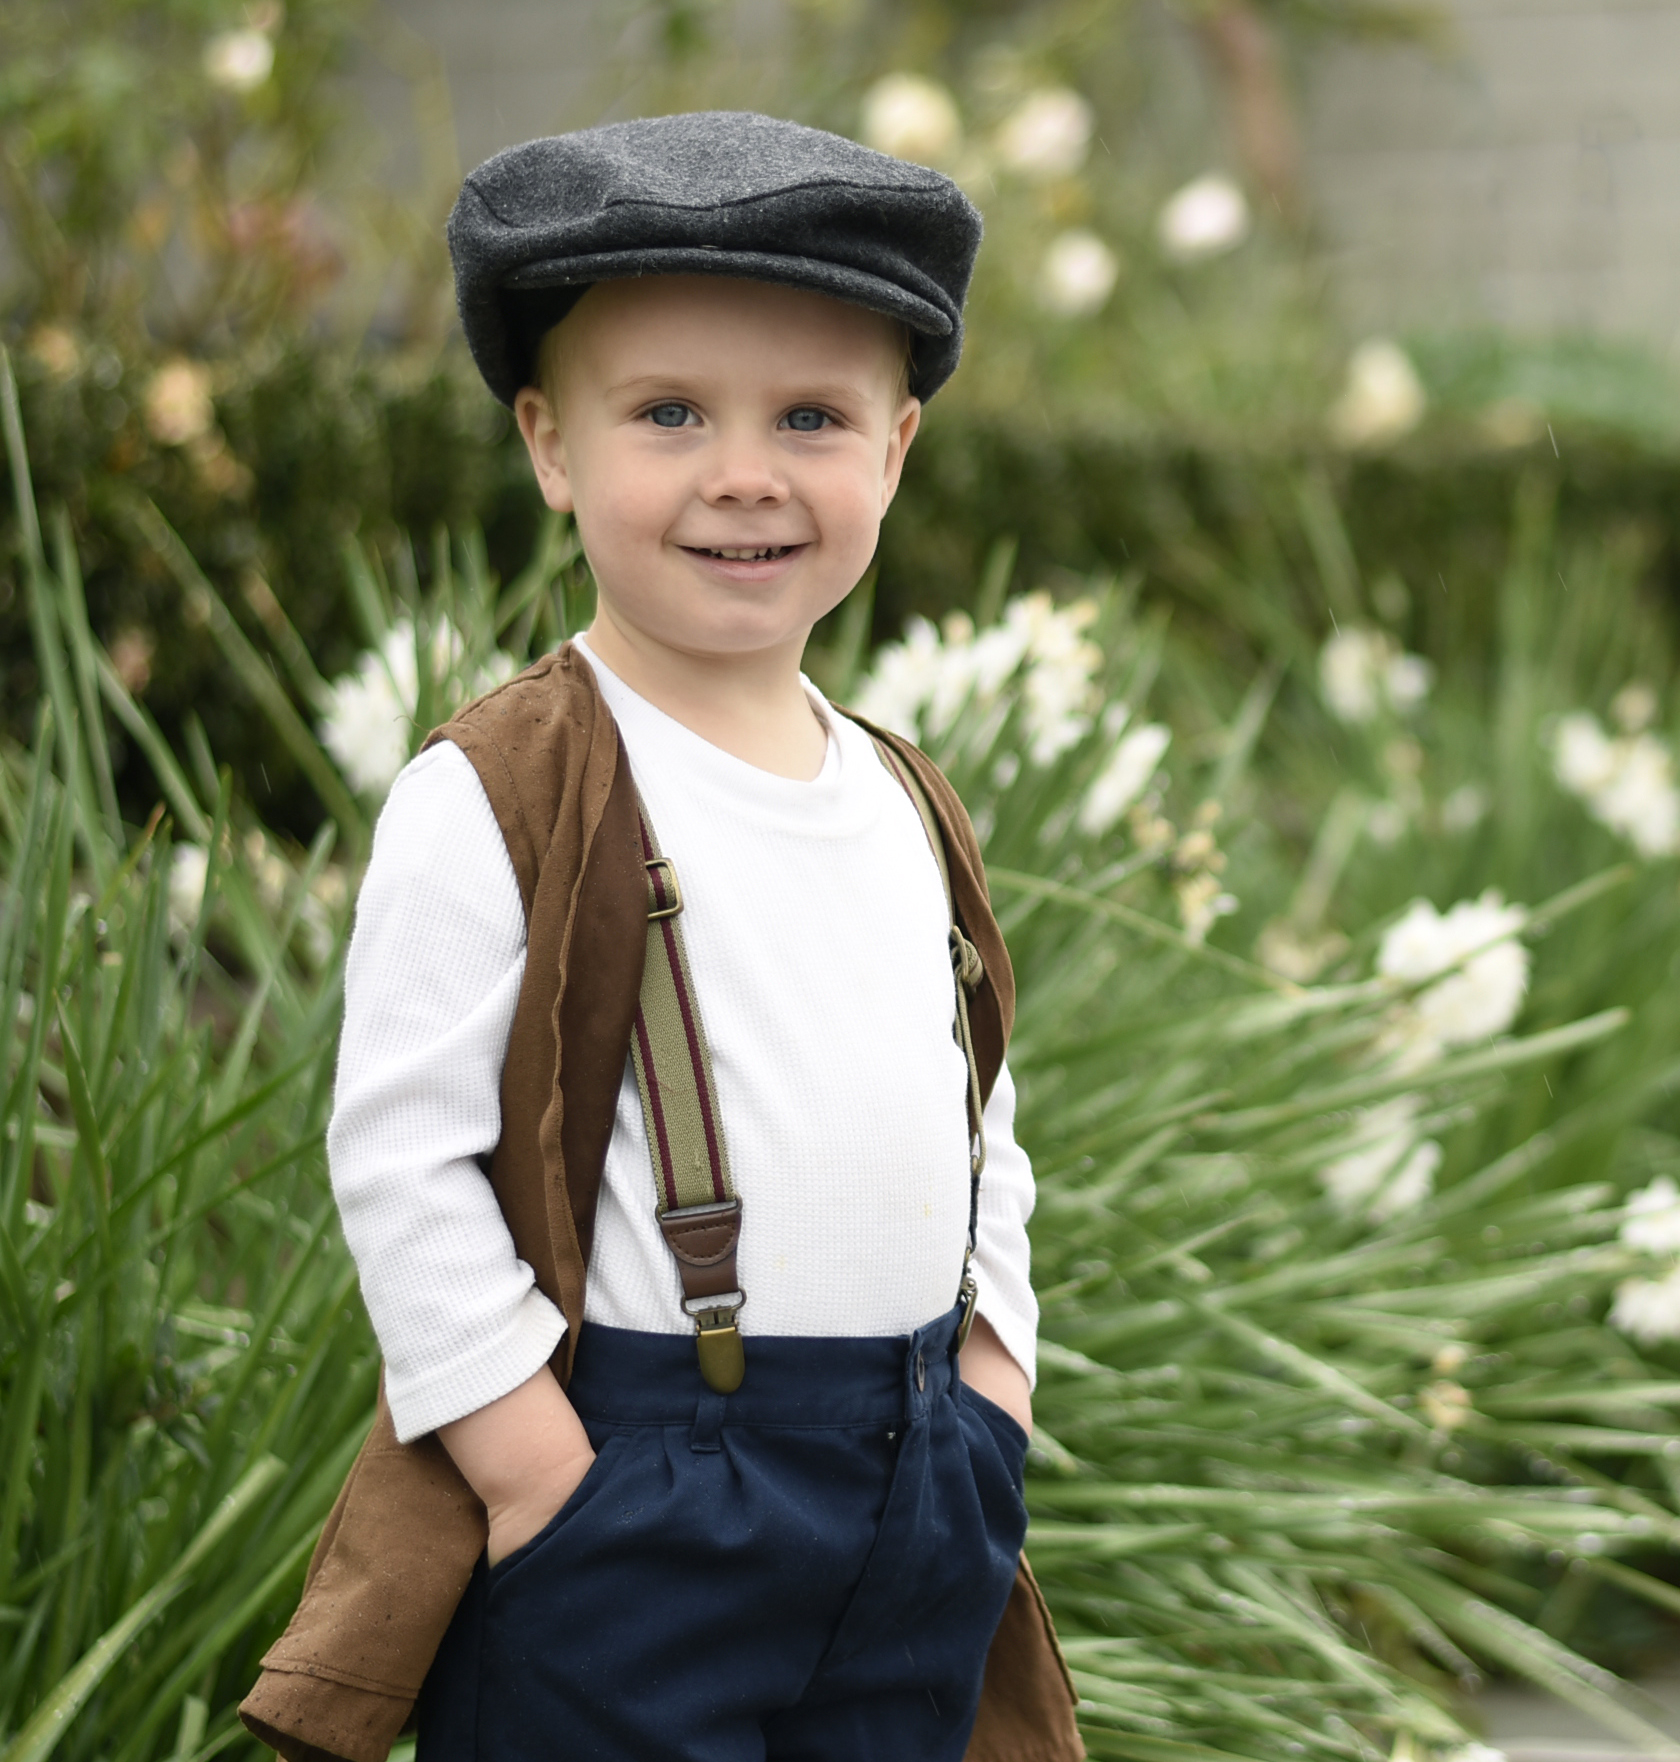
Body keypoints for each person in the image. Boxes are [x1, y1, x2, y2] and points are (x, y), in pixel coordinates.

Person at [237, 112, 1082, 1762]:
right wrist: (529, 1465)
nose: (746, 471)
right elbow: (402, 1154)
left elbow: (979, 1102)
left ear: (896, 452)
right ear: (552, 445)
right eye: (671, 411)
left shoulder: (902, 791)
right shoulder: (501, 789)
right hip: (635, 1492)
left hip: (918, 1473)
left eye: (812, 415)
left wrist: (997, 1364)